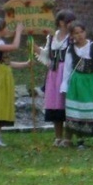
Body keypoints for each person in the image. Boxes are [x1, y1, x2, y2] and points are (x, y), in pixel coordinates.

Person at [61, 21, 93, 151]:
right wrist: (64, 86)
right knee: (77, 111)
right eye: (76, 33)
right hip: (76, 83)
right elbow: (67, 69)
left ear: (85, 32)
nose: (80, 35)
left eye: (81, 32)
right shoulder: (70, 49)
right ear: (72, 35)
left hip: (90, 82)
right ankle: (80, 139)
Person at [0, 19, 30, 148]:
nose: (8, 30)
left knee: (2, 104)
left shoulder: (0, 42)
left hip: (4, 74)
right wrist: (19, 32)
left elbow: (7, 62)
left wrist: (25, 64)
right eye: (5, 28)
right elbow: (15, 46)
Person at [35, 9, 76, 147]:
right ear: (60, 22)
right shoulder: (52, 37)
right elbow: (47, 55)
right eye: (68, 21)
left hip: (68, 72)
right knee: (55, 104)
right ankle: (58, 137)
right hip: (54, 73)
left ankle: (68, 138)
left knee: (67, 104)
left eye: (72, 21)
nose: (71, 24)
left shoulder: (73, 38)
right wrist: (34, 48)